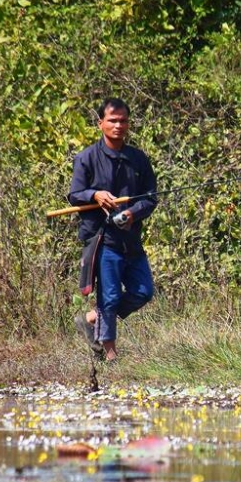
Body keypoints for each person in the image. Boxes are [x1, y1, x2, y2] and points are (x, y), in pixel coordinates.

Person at [68, 98, 157, 362]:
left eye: (123, 121)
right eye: (112, 120)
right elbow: (75, 195)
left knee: (143, 292)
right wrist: (95, 195)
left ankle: (91, 319)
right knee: (109, 295)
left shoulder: (138, 159)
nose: (118, 125)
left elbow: (150, 197)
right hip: (102, 239)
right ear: (101, 124)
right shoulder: (86, 158)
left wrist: (132, 212)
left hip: (130, 239)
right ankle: (110, 354)